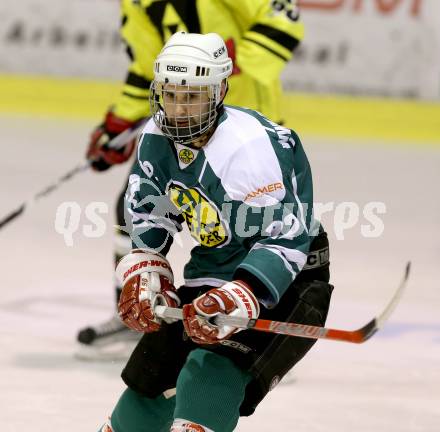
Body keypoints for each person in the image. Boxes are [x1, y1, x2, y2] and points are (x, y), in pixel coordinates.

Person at [98, 31, 333, 431]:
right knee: (149, 382)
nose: (179, 109)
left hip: (288, 279)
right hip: (214, 267)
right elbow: (152, 213)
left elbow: (286, 234)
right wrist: (146, 269)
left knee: (210, 368)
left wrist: (244, 292)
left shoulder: (248, 148)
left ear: (220, 90)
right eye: (171, 95)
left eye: (192, 97)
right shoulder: (156, 137)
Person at [77, 0, 305, 360]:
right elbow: (148, 68)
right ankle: (139, 305)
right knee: (135, 209)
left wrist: (223, 67)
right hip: (182, 127)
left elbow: (283, 21)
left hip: (242, 131)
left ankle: (255, 338)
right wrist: (120, 122)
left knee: (249, 231)